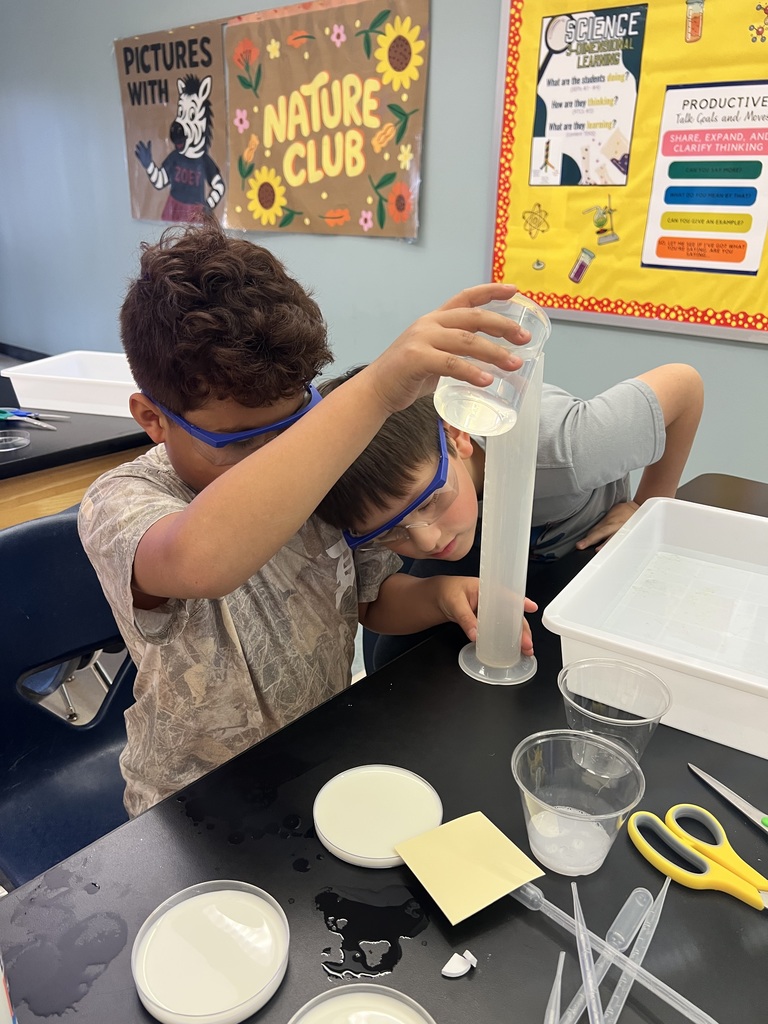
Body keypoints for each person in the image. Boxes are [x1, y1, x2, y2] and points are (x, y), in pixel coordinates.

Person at [78, 217, 533, 817]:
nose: (277, 455)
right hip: (193, 801)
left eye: (293, 423)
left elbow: (364, 599)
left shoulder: (319, 467)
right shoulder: (122, 502)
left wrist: (439, 596)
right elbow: (200, 560)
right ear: (153, 418)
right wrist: (374, 391)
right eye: (242, 440)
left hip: (322, 758)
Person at [315, 363, 704, 669]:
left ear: (457, 437)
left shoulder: (569, 448)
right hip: (476, 552)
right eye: (390, 531)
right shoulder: (364, 502)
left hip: (576, 551)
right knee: (391, 660)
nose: (426, 540)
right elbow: (378, 602)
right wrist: (436, 590)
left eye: (429, 502)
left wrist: (647, 510)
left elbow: (685, 386)